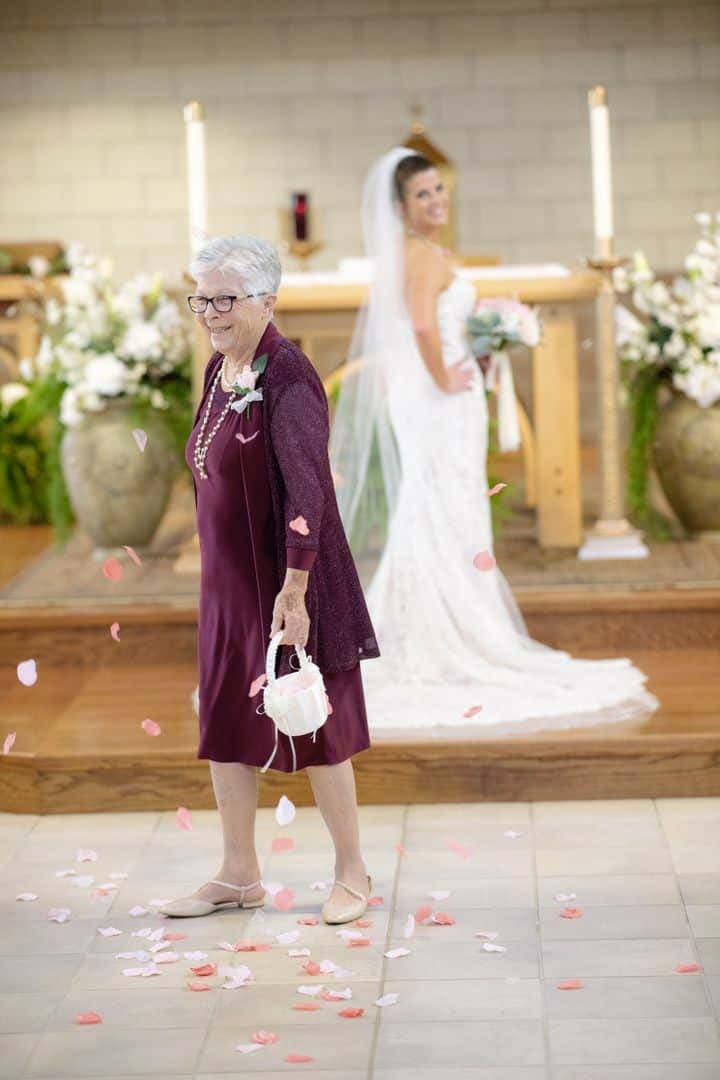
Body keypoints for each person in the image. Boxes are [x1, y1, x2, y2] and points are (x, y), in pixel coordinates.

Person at [329, 148, 658, 734]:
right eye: (423, 195)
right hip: (437, 399)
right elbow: (425, 323)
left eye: (439, 190)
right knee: (444, 503)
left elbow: (429, 323)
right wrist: (444, 375)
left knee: (433, 505)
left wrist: (477, 349)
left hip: (433, 395)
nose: (436, 201)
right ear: (401, 208)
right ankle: (446, 630)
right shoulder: (424, 256)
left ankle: (429, 621)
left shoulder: (412, 254)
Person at [160, 235, 379, 923]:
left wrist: (296, 589)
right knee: (226, 719)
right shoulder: (218, 372)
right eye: (202, 297)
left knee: (318, 722)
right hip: (228, 585)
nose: (210, 313)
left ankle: (353, 873)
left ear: (267, 300)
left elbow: (309, 490)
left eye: (225, 298)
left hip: (290, 581)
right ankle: (238, 873)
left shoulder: (288, 375)